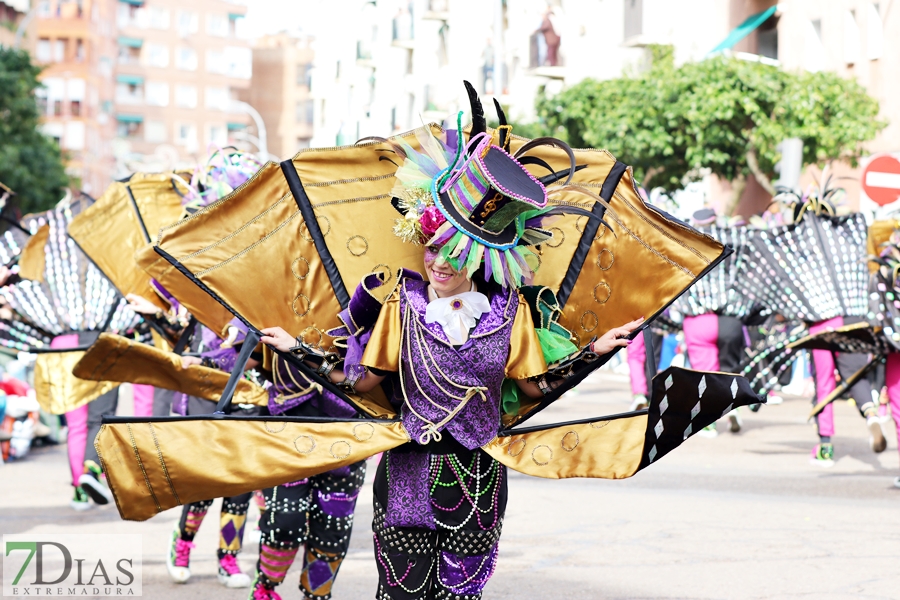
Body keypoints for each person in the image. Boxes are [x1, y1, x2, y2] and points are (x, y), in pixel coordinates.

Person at [260, 121, 642, 599]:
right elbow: (361, 383)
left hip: (480, 483)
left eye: (452, 253)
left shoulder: (510, 311)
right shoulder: (404, 304)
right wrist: (296, 351)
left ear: (480, 257)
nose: (437, 262)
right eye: (432, 248)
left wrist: (593, 354)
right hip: (405, 477)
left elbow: (533, 388)